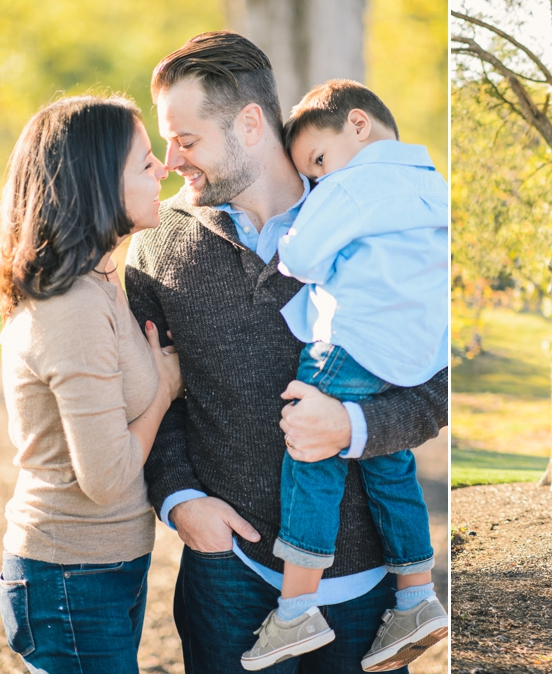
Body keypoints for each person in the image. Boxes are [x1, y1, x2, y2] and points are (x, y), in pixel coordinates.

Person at [125, 32, 448, 674]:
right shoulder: (156, 247)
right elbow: (147, 395)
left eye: (186, 140)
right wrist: (179, 498)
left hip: (367, 588)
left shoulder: (372, 219)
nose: (170, 160)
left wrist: (354, 427)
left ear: (249, 124)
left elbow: (436, 389)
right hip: (227, 574)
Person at [239, 80, 448, 672]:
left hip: (350, 340)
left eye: (319, 164)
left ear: (358, 125)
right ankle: (415, 595)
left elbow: (301, 259)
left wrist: (298, 221)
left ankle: (296, 609)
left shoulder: (356, 184)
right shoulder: (435, 186)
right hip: (410, 357)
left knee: (310, 457)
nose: (319, 181)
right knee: (392, 464)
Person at [0, 95, 181, 672]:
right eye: (145, 162)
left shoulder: (100, 281)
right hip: (69, 578)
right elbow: (105, 478)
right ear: (98, 182)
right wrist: (164, 390)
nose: (164, 170)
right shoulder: (72, 306)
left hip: (101, 569)